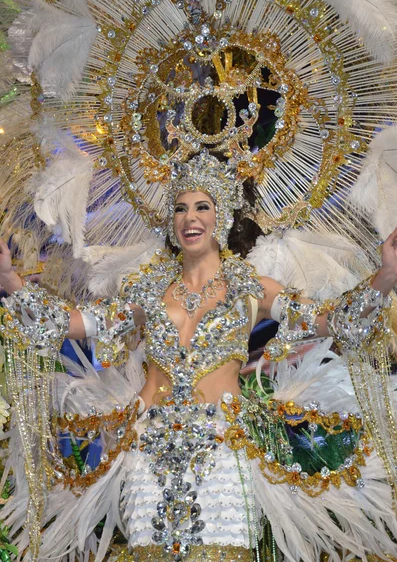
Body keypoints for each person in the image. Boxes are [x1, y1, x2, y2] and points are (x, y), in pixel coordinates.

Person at [1, 151, 397, 562]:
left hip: (225, 454)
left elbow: (332, 322)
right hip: (148, 454)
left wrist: (386, 275)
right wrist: (9, 279)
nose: (190, 218)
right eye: (180, 208)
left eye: (202, 207)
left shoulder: (252, 287)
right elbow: (68, 324)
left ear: (220, 216)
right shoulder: (145, 291)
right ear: (172, 222)